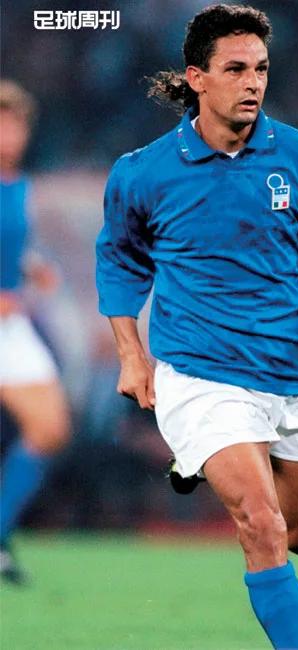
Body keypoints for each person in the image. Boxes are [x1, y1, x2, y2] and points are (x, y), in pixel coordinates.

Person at [96, 5, 298, 648]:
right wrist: (132, 354)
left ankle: (202, 460)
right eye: (235, 69)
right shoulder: (143, 172)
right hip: (202, 372)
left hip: (296, 370)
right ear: (196, 77)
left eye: (261, 69)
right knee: (261, 522)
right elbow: (118, 262)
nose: (253, 82)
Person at [0, 80, 71, 585]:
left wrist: (30, 268)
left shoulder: (18, 185)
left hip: (11, 324)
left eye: (18, 125)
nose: (11, 134)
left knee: (49, 428)